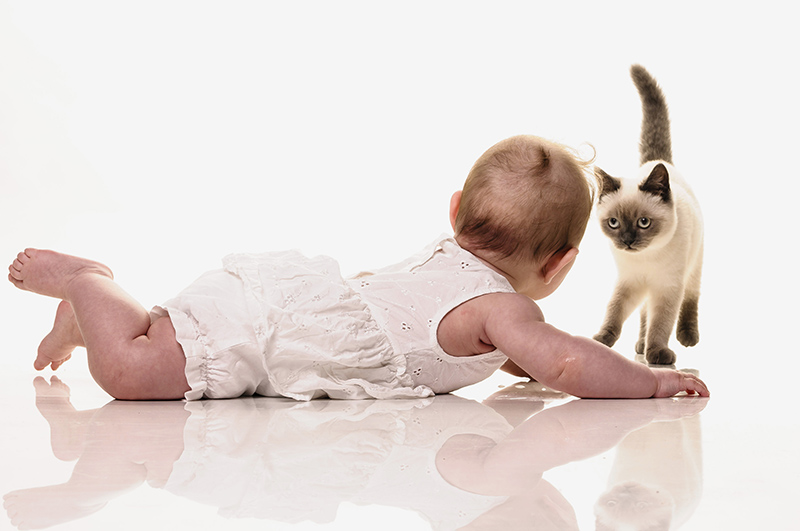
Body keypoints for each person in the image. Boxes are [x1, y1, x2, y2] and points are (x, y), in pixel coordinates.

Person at [7, 135, 709, 401]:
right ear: (560, 264)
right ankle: (86, 278)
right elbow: (566, 365)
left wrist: (516, 363)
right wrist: (650, 381)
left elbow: (520, 359)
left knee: (158, 339)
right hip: (280, 327)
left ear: (458, 207)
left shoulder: (447, 264)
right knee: (129, 375)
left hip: (278, 302)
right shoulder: (507, 311)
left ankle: (85, 317)